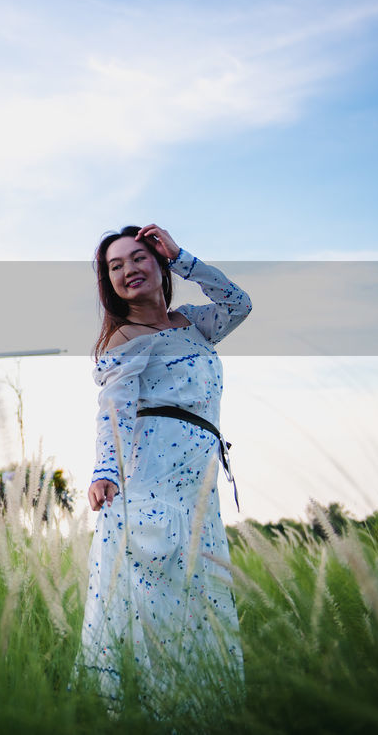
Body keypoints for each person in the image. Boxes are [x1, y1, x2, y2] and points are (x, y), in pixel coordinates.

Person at [76, 223, 251, 713]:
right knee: (153, 609)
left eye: (138, 258)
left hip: (199, 489)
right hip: (151, 489)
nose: (128, 270)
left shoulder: (193, 325)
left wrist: (183, 256)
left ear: (158, 262)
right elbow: (114, 408)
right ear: (107, 283)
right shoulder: (126, 338)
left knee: (201, 602)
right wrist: (104, 471)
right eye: (115, 266)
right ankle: (148, 714)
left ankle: (203, 713)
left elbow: (240, 304)